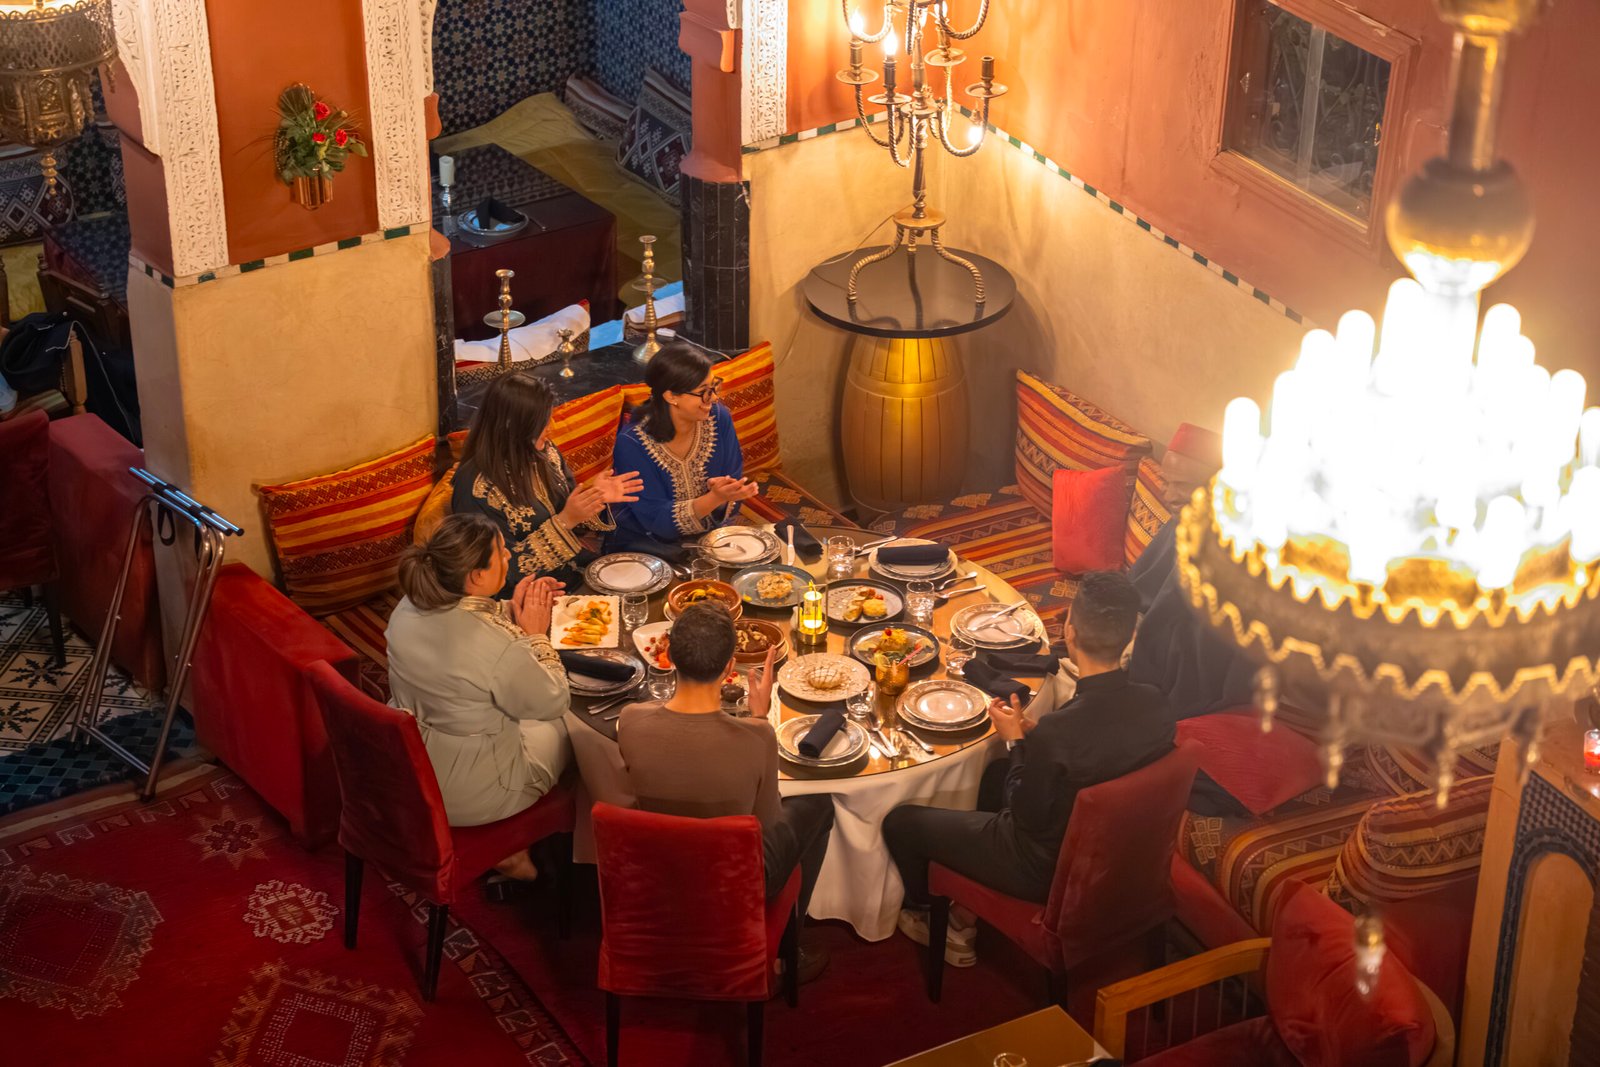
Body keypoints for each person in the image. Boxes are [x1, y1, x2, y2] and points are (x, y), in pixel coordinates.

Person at [882, 571, 1173, 966]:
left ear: (1070, 631)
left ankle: (932, 917)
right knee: (993, 774)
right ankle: (966, 911)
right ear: (1129, 635)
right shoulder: (1155, 703)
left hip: (1044, 868)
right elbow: (1100, 747)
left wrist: (1016, 742)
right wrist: (1032, 740)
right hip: (1122, 855)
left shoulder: (1059, 732)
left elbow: (1025, 815)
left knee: (901, 822)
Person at [616, 602, 835, 982]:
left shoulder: (631, 721)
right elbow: (767, 822)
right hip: (733, 879)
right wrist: (759, 717)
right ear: (730, 667)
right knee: (819, 805)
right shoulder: (757, 736)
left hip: (658, 866)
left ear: (670, 657)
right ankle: (787, 950)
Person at [386, 513, 573, 880]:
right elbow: (554, 700)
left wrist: (510, 611)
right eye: (501, 551)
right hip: (477, 793)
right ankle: (524, 847)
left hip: (409, 769)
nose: (509, 556)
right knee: (574, 728)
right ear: (475, 576)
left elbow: (462, 628)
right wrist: (535, 635)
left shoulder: (407, 607)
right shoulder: (498, 647)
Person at [454, 370, 643, 596]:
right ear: (513, 426)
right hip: (531, 596)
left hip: (579, 571)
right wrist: (565, 521)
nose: (550, 428)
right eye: (542, 422)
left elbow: (572, 516)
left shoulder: (545, 452)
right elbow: (500, 573)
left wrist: (595, 497)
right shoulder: (475, 489)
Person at [1125, 423, 1257, 718]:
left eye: (1182, 486)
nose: (1168, 495)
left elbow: (1207, 645)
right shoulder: (1186, 518)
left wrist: (1135, 637)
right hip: (1157, 638)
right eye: (1166, 482)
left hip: (1198, 667)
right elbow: (1143, 586)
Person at [606, 341, 758, 553]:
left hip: (712, 535)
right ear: (671, 396)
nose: (714, 398)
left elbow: (733, 477)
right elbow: (656, 519)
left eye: (714, 386)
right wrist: (715, 497)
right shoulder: (632, 443)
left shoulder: (718, 417)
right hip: (649, 546)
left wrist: (729, 491)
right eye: (704, 391)